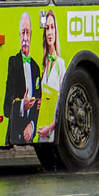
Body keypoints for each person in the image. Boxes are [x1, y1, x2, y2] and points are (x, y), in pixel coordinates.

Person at [3, 11, 42, 144]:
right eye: (22, 33)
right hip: (14, 132)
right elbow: (6, 107)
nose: (25, 38)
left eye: (27, 33)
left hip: (31, 133)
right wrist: (21, 106)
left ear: (31, 35)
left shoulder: (36, 67)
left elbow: (39, 101)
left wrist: (31, 124)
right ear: (19, 36)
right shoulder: (13, 62)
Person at [37, 11, 65, 141]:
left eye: (52, 27)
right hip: (42, 126)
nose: (49, 32)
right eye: (47, 28)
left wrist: (51, 127)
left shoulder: (60, 64)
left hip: (52, 129)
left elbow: (62, 100)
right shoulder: (44, 63)